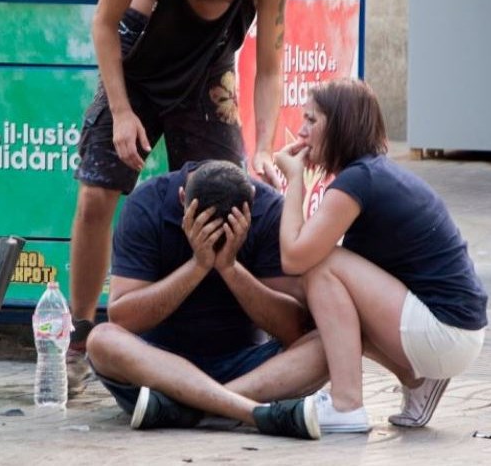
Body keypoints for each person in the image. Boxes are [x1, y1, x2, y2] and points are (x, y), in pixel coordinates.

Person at [68, 0, 289, 389]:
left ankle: (211, 336)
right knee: (96, 193)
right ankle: (80, 335)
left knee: (223, 200)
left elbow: (271, 68)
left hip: (208, 71)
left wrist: (264, 147)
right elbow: (104, 24)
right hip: (137, 63)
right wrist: (122, 114)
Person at [270, 78, 488, 433]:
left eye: (312, 120)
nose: (301, 131)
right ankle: (418, 383)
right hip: (456, 332)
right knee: (331, 300)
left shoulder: (357, 182)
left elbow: (295, 258)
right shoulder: (370, 174)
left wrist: (294, 180)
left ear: (339, 125)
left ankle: (346, 405)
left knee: (320, 266)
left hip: (447, 332)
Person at [85, 160, 325, 440]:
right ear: (182, 198)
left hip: (248, 370)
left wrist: (230, 268)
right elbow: (123, 318)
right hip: (158, 369)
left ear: (251, 202)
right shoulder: (147, 203)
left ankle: (193, 409)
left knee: (333, 341)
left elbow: (294, 328)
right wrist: (198, 266)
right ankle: (248, 411)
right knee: (101, 339)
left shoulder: (269, 209)